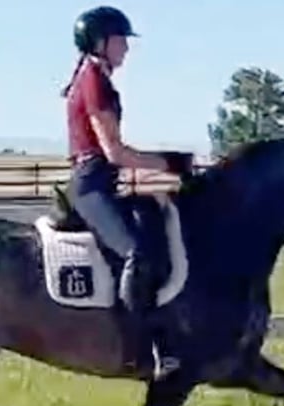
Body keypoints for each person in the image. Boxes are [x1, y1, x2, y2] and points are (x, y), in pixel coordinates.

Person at [61, 5, 194, 380]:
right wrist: (168, 163)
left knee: (158, 218)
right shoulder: (93, 82)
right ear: (100, 42)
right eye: (121, 40)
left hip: (106, 181)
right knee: (136, 252)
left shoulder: (97, 77)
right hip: (92, 184)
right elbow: (114, 152)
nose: (126, 49)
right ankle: (140, 350)